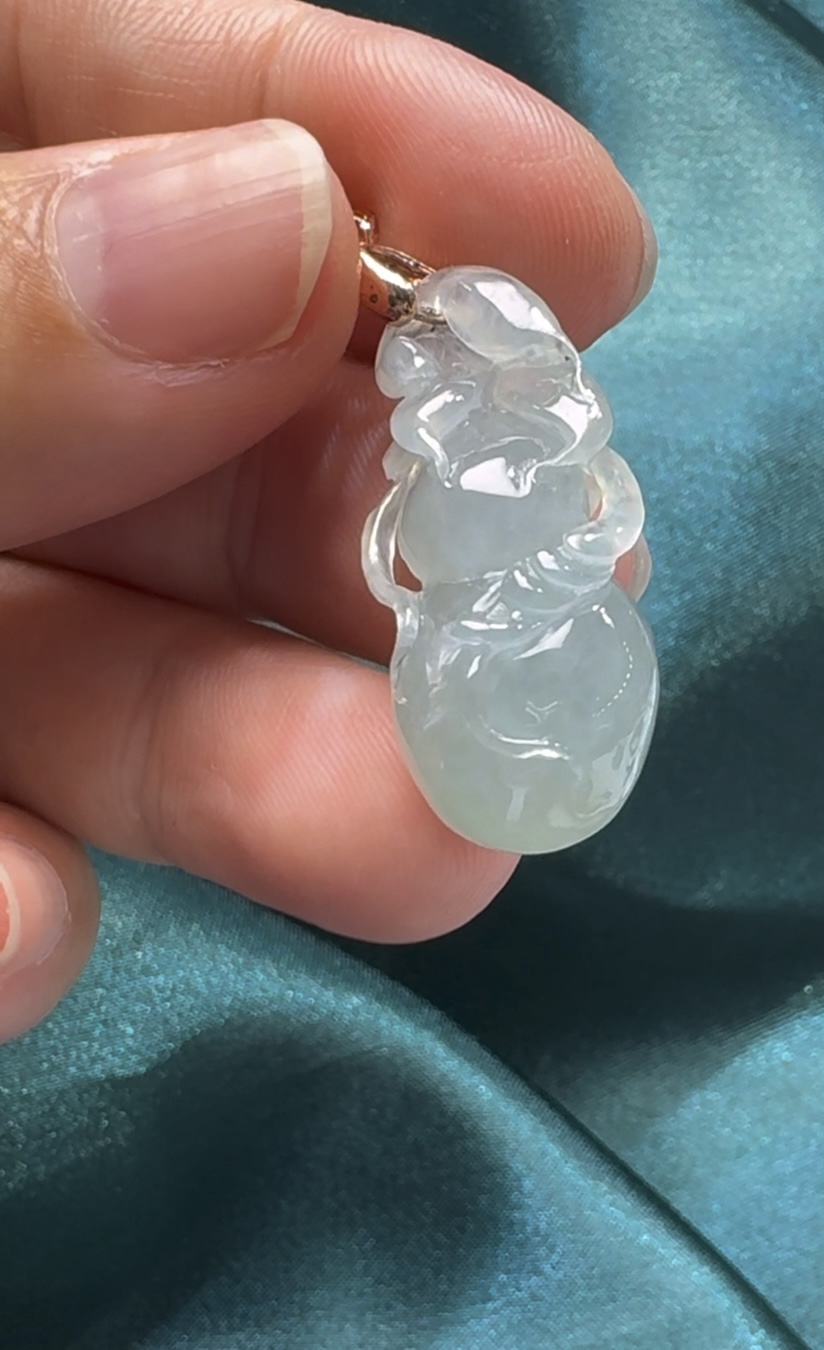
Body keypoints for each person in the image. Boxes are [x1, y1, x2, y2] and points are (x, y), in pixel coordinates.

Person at [0, 0, 657, 1043]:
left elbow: (588, 490)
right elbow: (410, 542)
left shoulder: (532, 455)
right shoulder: (443, 476)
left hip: (530, 622)